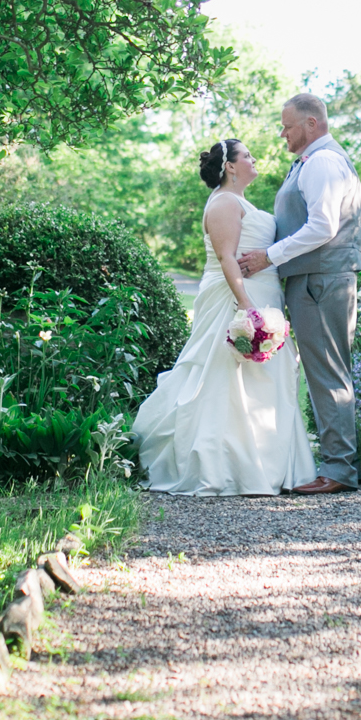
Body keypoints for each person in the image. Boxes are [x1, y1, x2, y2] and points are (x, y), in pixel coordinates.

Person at [131, 138, 316, 495]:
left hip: (263, 296)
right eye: (247, 155)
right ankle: (225, 467)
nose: (253, 157)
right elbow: (227, 257)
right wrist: (246, 304)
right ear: (230, 166)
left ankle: (265, 463)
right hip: (235, 298)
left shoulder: (242, 201)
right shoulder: (224, 203)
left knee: (261, 379)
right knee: (225, 377)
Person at [239, 92, 361, 495]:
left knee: (328, 371)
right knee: (322, 371)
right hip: (314, 279)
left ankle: (340, 469)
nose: (282, 134)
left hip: (321, 280)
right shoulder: (311, 162)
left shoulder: (324, 162)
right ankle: (337, 462)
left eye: (287, 126)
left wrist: (268, 258)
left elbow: (322, 227)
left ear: (312, 124)